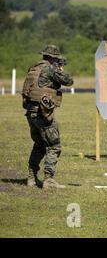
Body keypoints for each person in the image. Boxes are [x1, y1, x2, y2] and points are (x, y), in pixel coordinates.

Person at [22, 44, 74, 189]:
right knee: (53, 145)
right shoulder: (50, 69)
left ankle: (31, 179)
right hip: (43, 113)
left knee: (39, 145)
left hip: (31, 112)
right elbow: (68, 81)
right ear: (53, 58)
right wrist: (59, 70)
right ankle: (49, 180)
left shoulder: (33, 69)